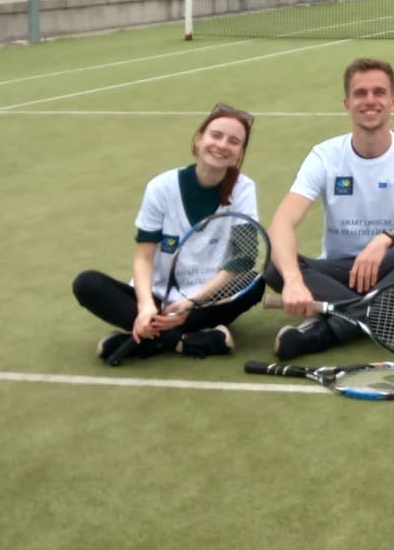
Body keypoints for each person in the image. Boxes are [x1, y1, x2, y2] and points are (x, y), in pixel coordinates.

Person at [266, 59, 394, 361]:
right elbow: (282, 222)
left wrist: (385, 239)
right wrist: (293, 280)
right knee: (276, 266)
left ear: (393, 101)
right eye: (360, 93)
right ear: (347, 103)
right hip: (339, 272)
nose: (369, 100)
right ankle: (389, 314)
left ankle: (331, 326)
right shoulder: (325, 156)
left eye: (379, 92)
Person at [74, 104, 264, 364]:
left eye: (233, 141)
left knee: (255, 284)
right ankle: (181, 340)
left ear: (239, 152)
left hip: (206, 300)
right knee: (87, 283)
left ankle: (148, 340)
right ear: (199, 139)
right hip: (157, 296)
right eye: (216, 135)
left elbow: (243, 258)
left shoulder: (243, 189)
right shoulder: (161, 187)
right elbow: (144, 258)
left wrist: (191, 303)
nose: (222, 145)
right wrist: (145, 307)